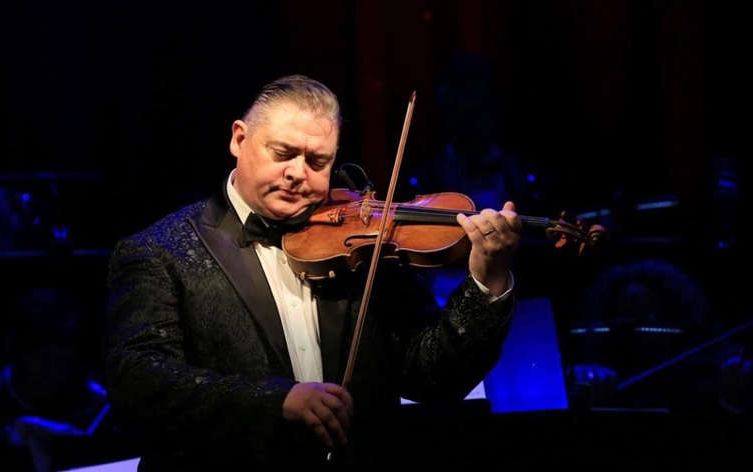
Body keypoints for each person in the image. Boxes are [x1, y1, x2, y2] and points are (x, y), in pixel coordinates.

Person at [104, 75, 520, 467]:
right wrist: (275, 403)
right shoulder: (161, 251)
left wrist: (487, 282)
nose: (297, 174)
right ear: (239, 139)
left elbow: (433, 377)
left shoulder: (366, 245)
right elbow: (138, 383)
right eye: (282, 153)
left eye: (317, 161)